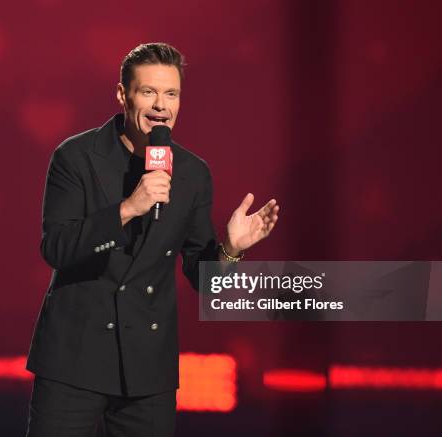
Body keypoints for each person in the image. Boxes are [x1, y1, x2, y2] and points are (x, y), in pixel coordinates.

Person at [25, 42, 280, 437]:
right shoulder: (75, 157)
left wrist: (231, 249)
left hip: (147, 373)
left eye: (171, 94)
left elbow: (203, 279)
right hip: (73, 362)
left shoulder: (193, 174)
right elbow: (55, 248)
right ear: (123, 95)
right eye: (149, 92)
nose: (161, 105)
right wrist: (128, 208)